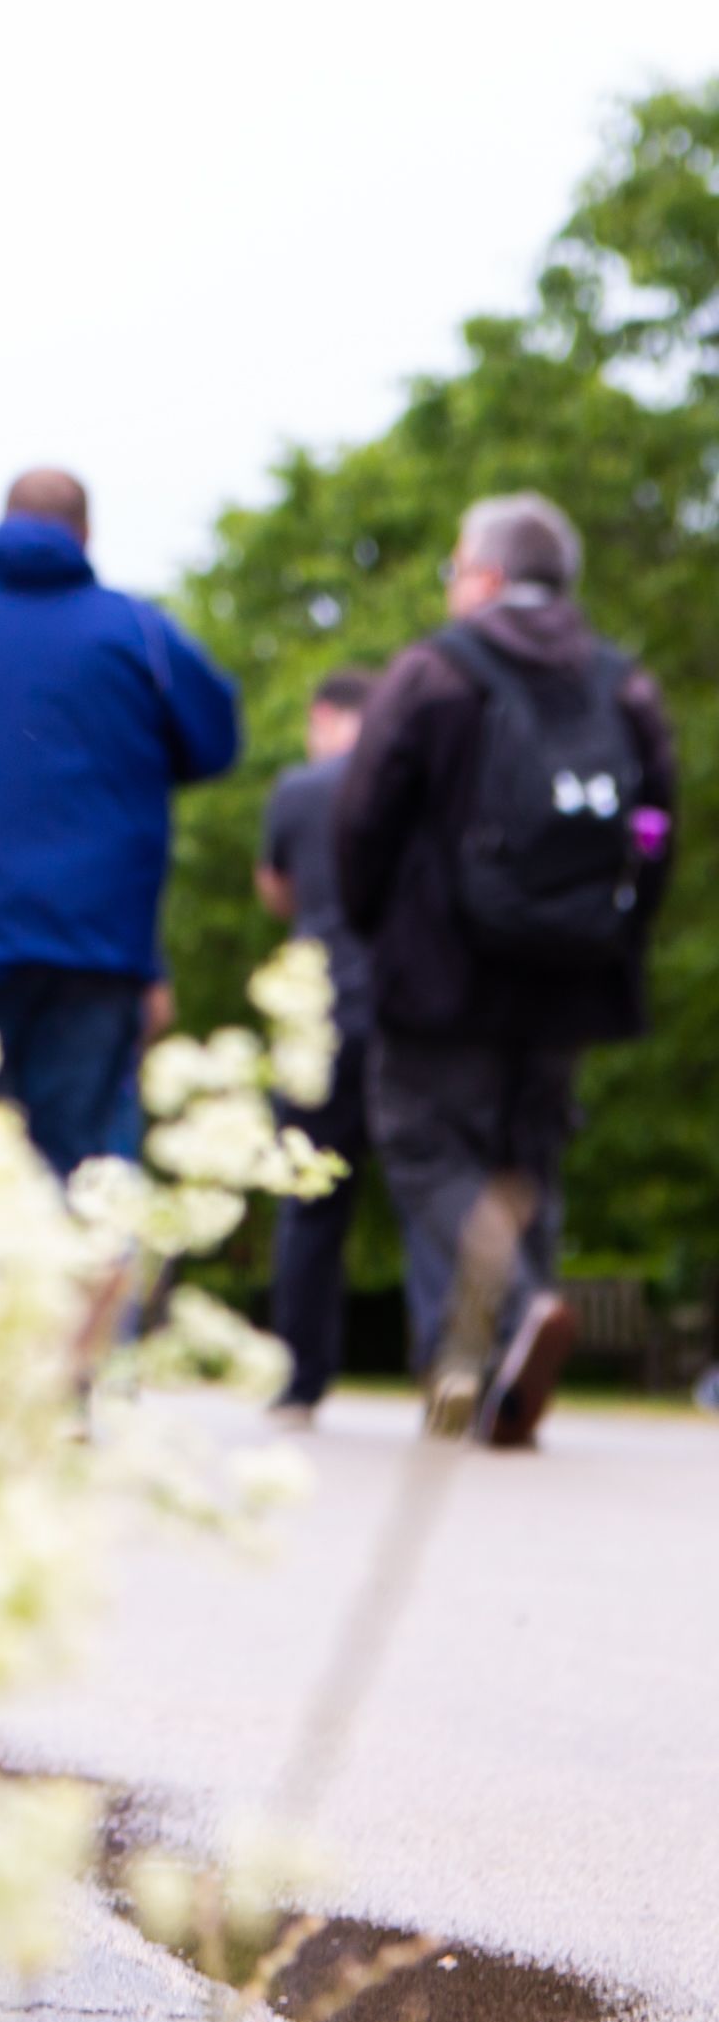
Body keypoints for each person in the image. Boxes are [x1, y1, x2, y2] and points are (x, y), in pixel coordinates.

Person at [337, 494, 678, 1449]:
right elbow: (658, 828)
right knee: (528, 1163)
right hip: (570, 975)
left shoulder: (435, 672)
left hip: (441, 973)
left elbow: (362, 818)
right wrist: (617, 933)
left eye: (455, 568)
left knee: (425, 1149)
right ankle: (492, 1387)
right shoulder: (624, 684)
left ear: (486, 575)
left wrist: (376, 927)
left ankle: (520, 1317)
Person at [0, 470, 243, 1176]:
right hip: (93, 955)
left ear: (1, 522)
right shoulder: (140, 633)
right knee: (80, 1177)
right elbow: (216, 740)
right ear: (86, 534)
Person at [255, 667, 383, 1419]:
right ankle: (458, 1371)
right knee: (427, 1191)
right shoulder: (409, 784)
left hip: (318, 1014)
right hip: (401, 1010)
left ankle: (301, 1381)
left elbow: (275, 889)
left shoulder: (298, 791)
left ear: (324, 716)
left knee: (308, 1201)